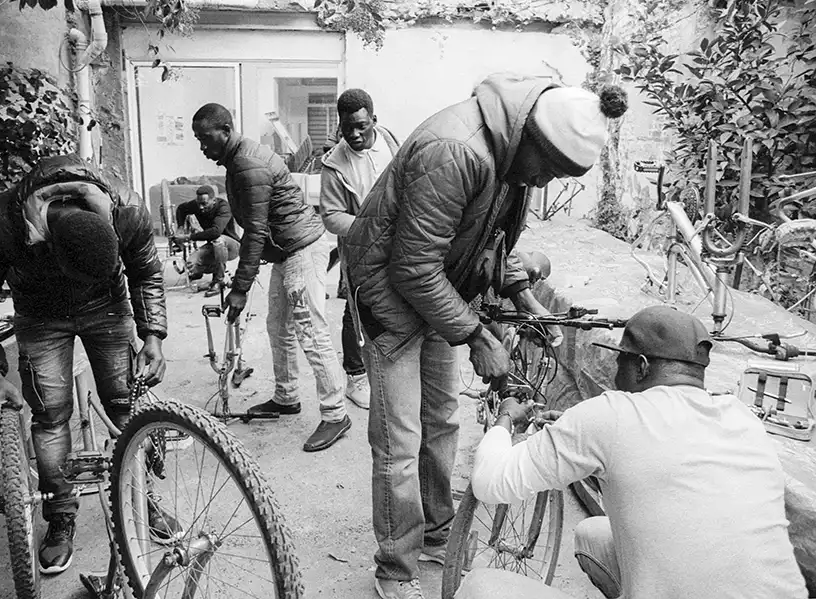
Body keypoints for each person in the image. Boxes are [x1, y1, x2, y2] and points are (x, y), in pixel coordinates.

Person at [344, 73, 629, 599]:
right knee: (399, 443)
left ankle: (433, 533)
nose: (544, 184)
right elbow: (413, 268)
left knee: (443, 421)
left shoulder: (511, 160)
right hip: (392, 294)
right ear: (532, 142)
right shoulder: (456, 151)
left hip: (438, 294)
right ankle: (395, 570)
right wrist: (477, 336)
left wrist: (525, 299)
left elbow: (493, 240)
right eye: (547, 170)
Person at [462, 305, 808, 599]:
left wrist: (505, 418)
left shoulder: (608, 416)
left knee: (480, 586)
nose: (614, 372)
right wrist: (585, 431)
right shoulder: (741, 416)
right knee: (592, 535)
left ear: (642, 366)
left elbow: (490, 482)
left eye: (621, 362)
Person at [0, 154, 176, 575]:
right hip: (40, 316)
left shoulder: (126, 210)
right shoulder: (2, 222)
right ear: (50, 247)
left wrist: (153, 335)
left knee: (125, 407)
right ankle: (59, 514)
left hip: (108, 308)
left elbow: (146, 273)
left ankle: (140, 496)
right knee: (51, 416)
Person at [192, 102, 351, 452]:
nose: (202, 147)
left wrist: (239, 288)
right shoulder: (237, 160)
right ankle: (287, 396)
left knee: (311, 331)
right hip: (287, 250)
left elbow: (256, 232)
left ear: (226, 130)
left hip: (301, 250)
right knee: (278, 326)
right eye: (197, 140)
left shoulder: (247, 164)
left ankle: (336, 413)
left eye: (206, 139)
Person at [320, 88, 400, 410]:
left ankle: (390, 365)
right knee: (356, 310)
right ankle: (355, 376)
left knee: (398, 299)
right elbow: (330, 216)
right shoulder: (334, 165)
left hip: (398, 243)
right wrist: (370, 228)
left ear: (374, 121)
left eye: (361, 126)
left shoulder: (393, 143)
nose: (354, 134)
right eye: (346, 127)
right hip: (360, 249)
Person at [172, 183, 241, 297]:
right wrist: (180, 228)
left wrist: (188, 237)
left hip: (232, 246)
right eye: (199, 204)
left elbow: (215, 232)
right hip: (213, 245)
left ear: (213, 201)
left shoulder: (223, 207)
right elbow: (181, 209)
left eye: (204, 204)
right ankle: (216, 270)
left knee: (218, 241)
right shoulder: (197, 205)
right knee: (191, 265)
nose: (200, 208)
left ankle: (218, 281)